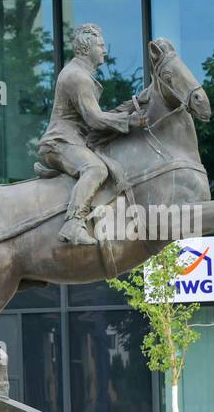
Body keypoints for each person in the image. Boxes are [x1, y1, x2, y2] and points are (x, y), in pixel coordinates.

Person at [37, 23, 149, 246]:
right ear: (86, 48)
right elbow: (94, 118)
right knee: (95, 168)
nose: (105, 51)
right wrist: (129, 120)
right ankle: (73, 223)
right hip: (60, 143)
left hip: (74, 142)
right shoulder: (77, 77)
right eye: (101, 46)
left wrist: (129, 106)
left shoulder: (80, 74)